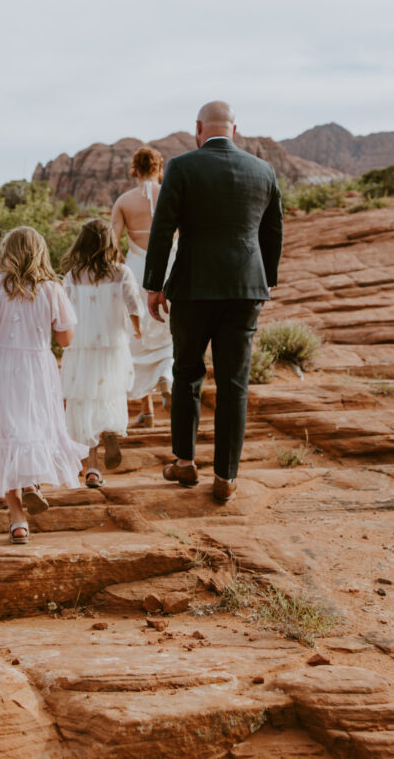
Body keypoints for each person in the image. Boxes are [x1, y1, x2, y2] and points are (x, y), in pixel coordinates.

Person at [144, 101, 283, 501]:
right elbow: (273, 232)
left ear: (199, 128)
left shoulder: (183, 167)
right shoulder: (263, 170)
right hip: (245, 290)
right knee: (234, 383)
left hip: (192, 287)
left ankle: (185, 462)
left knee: (187, 373)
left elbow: (163, 228)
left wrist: (154, 283)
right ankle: (226, 476)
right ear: (234, 129)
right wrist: (265, 281)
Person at [0, 226, 87, 543]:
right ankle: (30, 484)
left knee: (6, 429)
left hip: (1, 366)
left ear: (7, 253)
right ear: (41, 253)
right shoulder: (53, 290)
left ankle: (17, 519)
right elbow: (66, 339)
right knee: (37, 424)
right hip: (38, 365)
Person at [60, 219, 143, 488]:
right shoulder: (121, 272)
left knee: (83, 402)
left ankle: (92, 469)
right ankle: (109, 430)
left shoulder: (72, 276)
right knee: (109, 394)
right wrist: (138, 329)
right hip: (112, 346)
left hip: (81, 349)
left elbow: (62, 313)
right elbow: (133, 305)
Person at [112, 145, 175, 426]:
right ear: (160, 169)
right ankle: (167, 377)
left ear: (134, 170)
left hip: (137, 269)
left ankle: (146, 410)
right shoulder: (172, 196)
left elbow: (112, 244)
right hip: (171, 265)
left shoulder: (124, 201)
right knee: (170, 329)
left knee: (135, 333)